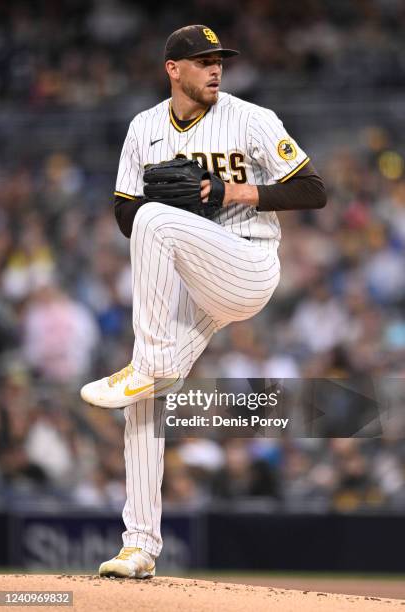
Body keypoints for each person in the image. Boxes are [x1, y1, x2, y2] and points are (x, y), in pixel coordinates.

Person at [80, 24, 326, 578]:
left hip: (248, 264)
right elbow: (125, 213)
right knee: (144, 395)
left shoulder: (250, 118)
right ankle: (139, 546)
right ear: (173, 68)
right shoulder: (144, 128)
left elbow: (314, 190)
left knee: (155, 230)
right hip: (192, 278)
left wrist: (231, 191)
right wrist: (177, 204)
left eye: (220, 60)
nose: (216, 68)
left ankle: (151, 362)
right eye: (202, 60)